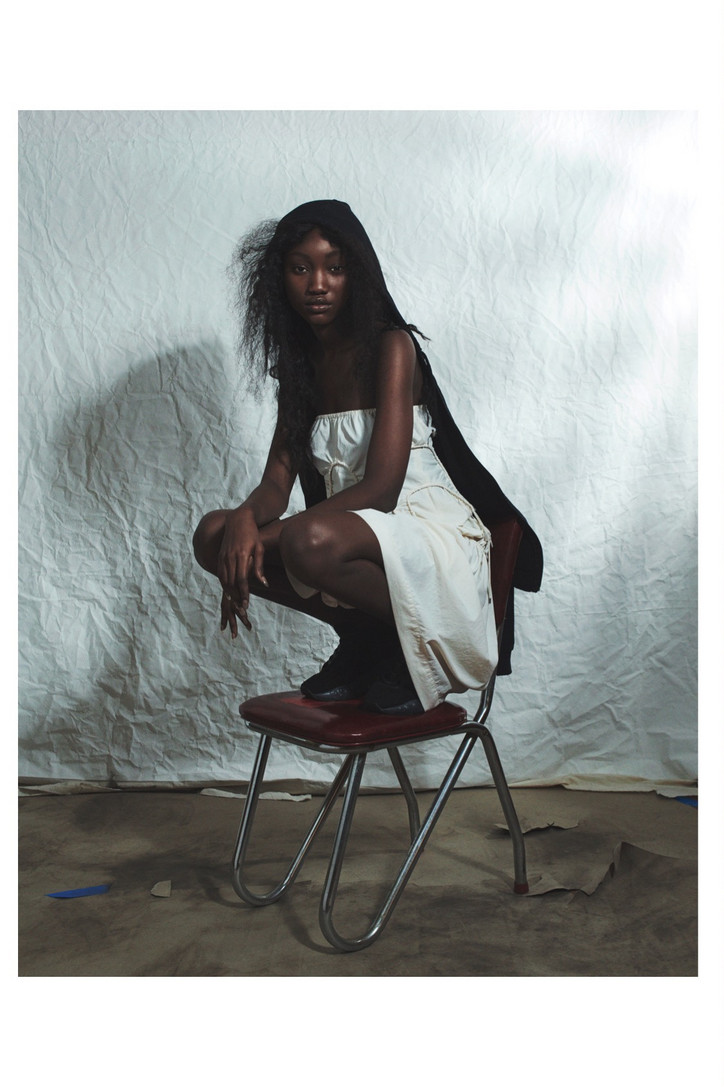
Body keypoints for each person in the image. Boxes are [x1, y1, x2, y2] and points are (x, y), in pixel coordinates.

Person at [193, 199, 543, 715]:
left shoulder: (391, 347)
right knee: (212, 536)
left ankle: (409, 643)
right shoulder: (300, 368)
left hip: (423, 531)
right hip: (358, 533)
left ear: (356, 273)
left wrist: (259, 542)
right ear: (278, 280)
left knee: (305, 540)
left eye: (334, 267)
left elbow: (382, 488)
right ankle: (366, 636)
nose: (317, 283)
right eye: (300, 268)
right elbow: (276, 484)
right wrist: (243, 523)